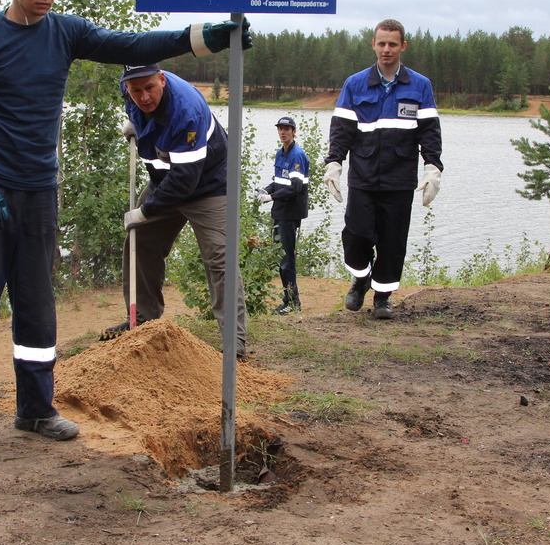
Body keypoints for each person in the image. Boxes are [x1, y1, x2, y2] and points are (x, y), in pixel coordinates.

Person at [0, 0, 251, 467]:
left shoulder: (65, 33)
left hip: (39, 190)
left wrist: (202, 38)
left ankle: (36, 408)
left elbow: (133, 44)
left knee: (36, 303)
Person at [101, 63, 249, 358]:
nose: (144, 97)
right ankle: (142, 320)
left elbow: (184, 181)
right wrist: (137, 124)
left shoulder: (186, 111)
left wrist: (146, 211)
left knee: (220, 256)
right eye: (136, 90)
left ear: (163, 80)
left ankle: (235, 344)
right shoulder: (130, 91)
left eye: (150, 88)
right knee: (139, 242)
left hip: (208, 184)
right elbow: (135, 102)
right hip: (165, 178)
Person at [323, 19, 442, 321]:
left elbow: (429, 131)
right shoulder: (355, 84)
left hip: (399, 180)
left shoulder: (420, 86)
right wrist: (334, 163)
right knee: (356, 234)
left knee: (392, 242)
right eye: (381, 43)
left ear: (403, 46)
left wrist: (432, 168)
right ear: (373, 45)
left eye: (392, 44)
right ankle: (361, 277)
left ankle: (382, 297)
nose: (386, 49)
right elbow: (341, 129)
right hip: (363, 177)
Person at [257, 116, 310, 314]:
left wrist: (271, 198)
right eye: (280, 129)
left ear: (294, 131)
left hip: (290, 214)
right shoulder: (281, 153)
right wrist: (265, 190)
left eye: (287, 129)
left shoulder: (297, 156)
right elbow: (279, 182)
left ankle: (293, 303)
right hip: (280, 212)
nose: (283, 132)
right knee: (281, 258)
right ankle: (288, 301)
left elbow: (295, 188)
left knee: (287, 259)